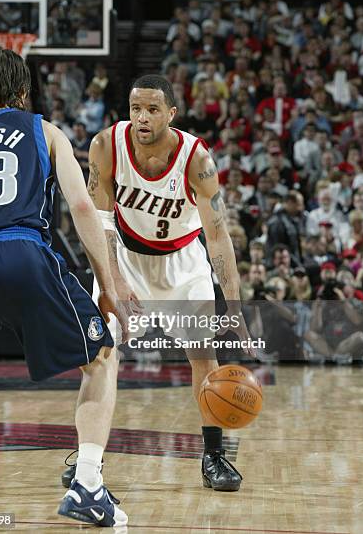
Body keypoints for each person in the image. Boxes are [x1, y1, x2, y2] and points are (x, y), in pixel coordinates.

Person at [0, 47, 128, 528]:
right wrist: (109, 285)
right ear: (22, 90)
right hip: (24, 254)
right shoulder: (44, 130)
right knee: (100, 357)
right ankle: (89, 485)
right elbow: (80, 207)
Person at [62, 74, 255, 493]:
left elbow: (218, 236)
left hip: (182, 265)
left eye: (152, 109)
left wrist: (234, 305)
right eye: (135, 109)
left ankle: (214, 455)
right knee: (100, 354)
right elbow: (101, 224)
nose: (142, 117)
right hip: (124, 259)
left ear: (171, 113)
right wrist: (113, 281)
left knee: (204, 358)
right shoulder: (106, 146)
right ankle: (88, 457)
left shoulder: (196, 160)